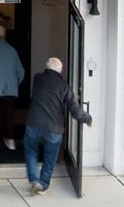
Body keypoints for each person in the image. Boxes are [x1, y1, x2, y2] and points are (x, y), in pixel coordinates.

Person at [24, 56, 87, 195]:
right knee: (50, 157)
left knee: (31, 150)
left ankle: (34, 179)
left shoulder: (37, 79)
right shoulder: (64, 87)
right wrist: (87, 118)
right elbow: (75, 110)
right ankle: (43, 184)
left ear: (47, 67)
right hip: (54, 128)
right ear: (60, 70)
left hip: (34, 123)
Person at [0, 34, 26, 153]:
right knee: (8, 116)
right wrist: (14, 84)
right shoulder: (12, 50)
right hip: (9, 90)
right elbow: (21, 71)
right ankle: (10, 142)